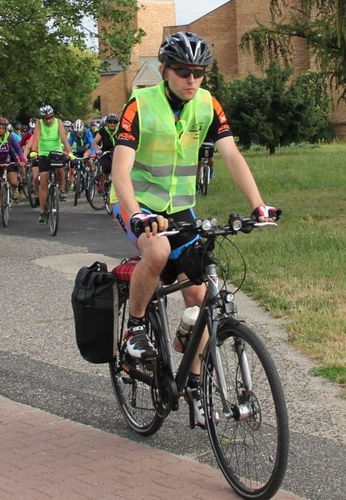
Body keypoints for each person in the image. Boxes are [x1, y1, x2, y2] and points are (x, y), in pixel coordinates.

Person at [111, 31, 279, 427]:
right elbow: (120, 170)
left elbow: (232, 156)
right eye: (184, 72)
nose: (192, 80)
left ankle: (196, 383)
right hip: (137, 204)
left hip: (181, 209)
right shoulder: (140, 104)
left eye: (199, 73)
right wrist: (136, 214)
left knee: (201, 296)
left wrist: (258, 204)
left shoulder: (207, 104)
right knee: (156, 253)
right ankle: (134, 330)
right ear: (165, 70)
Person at [24, 104, 74, 224]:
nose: (48, 120)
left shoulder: (59, 122)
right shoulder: (39, 124)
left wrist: (70, 152)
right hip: (44, 153)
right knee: (44, 182)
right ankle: (42, 212)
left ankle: (62, 190)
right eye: (45, 118)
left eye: (50, 117)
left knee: (61, 170)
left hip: (56, 151)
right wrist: (34, 152)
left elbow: (63, 137)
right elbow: (36, 139)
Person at [0, 117, 27, 216]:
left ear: (6, 129)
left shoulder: (10, 137)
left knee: (13, 182)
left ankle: (15, 189)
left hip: (9, 162)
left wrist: (22, 159)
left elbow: (18, 149)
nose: (1, 130)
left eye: (3, 128)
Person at [67, 119, 96, 188]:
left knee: (85, 156)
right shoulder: (73, 133)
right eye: (77, 132)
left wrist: (93, 153)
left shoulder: (87, 132)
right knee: (74, 160)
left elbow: (91, 143)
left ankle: (92, 169)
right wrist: (66, 150)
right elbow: (69, 143)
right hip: (79, 149)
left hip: (87, 149)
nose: (78, 133)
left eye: (79, 132)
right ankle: (77, 177)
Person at [93, 112, 119, 179]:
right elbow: (95, 142)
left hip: (117, 152)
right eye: (110, 122)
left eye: (114, 122)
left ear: (117, 123)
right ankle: (106, 181)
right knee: (107, 167)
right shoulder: (103, 130)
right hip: (105, 151)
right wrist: (97, 150)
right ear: (107, 123)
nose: (112, 124)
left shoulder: (119, 131)